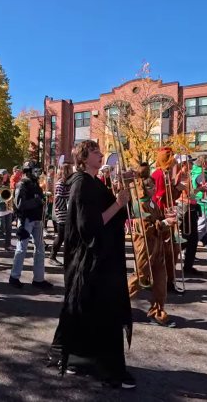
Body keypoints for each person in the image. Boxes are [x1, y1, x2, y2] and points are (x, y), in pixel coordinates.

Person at [47, 140, 135, 389]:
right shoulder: (81, 184)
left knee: (87, 312)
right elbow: (89, 225)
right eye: (96, 152)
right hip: (88, 261)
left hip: (100, 259)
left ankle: (78, 360)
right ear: (84, 157)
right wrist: (117, 204)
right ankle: (102, 367)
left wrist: (123, 193)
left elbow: (110, 215)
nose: (101, 155)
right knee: (99, 312)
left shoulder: (94, 182)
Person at [129, 175, 178, 326]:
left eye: (154, 187)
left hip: (158, 247)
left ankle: (157, 311)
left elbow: (159, 222)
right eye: (150, 187)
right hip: (145, 248)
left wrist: (167, 219)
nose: (154, 189)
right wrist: (164, 223)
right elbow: (145, 229)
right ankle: (116, 305)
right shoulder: (139, 205)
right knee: (140, 278)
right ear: (143, 189)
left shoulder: (151, 203)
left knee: (160, 281)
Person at [9, 160, 53, 290]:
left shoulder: (35, 184)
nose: (38, 173)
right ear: (28, 171)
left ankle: (39, 279)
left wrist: (43, 200)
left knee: (40, 250)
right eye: (35, 170)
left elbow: (37, 200)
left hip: (37, 219)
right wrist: (36, 201)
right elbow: (20, 204)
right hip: (25, 220)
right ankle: (14, 277)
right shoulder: (21, 185)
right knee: (21, 249)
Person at [151, 148, 188, 291]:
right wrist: (177, 188)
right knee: (167, 251)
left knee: (173, 250)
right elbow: (161, 197)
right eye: (171, 159)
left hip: (168, 214)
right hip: (162, 216)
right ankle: (163, 281)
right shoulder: (159, 174)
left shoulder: (165, 174)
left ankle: (169, 280)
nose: (174, 162)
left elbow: (169, 195)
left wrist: (177, 187)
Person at [47, 163, 73, 267]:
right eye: (70, 170)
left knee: (67, 237)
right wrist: (68, 203)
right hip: (62, 214)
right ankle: (52, 257)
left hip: (68, 213)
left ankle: (68, 258)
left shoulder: (67, 183)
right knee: (61, 236)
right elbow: (58, 200)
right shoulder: (60, 184)